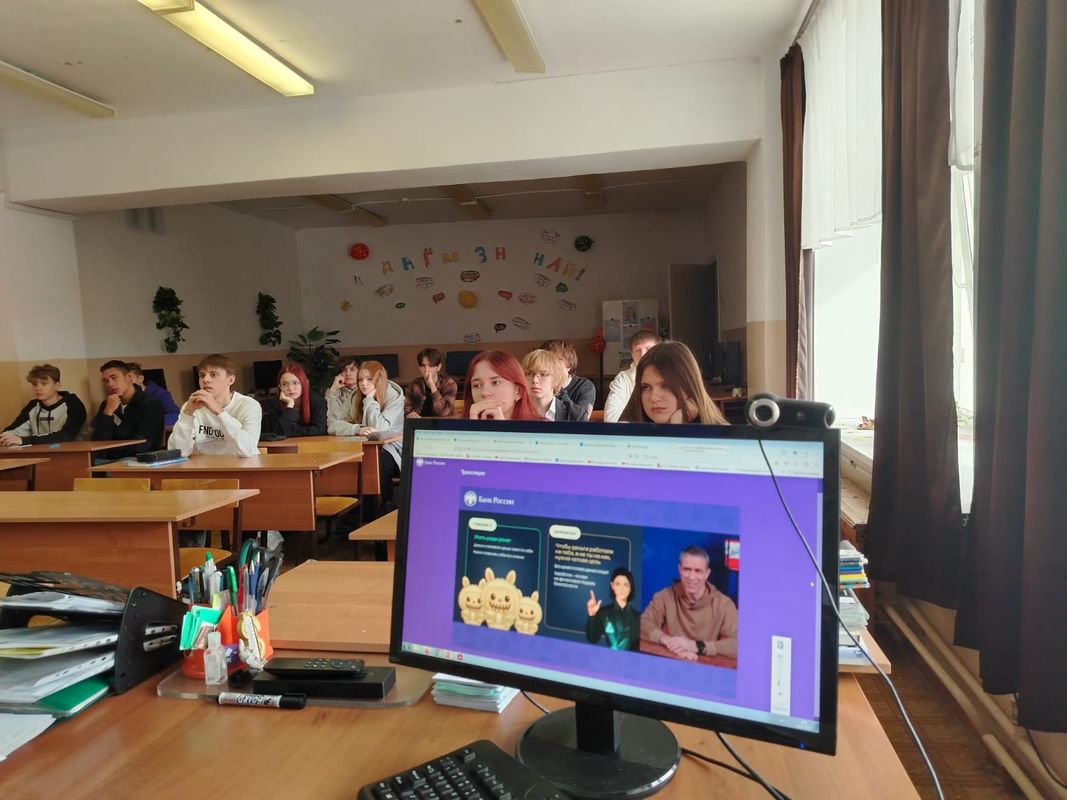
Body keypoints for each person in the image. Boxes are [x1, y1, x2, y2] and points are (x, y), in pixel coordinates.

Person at [640, 546, 738, 661]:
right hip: (673, 658)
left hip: (705, 665)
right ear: (679, 569)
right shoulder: (664, 596)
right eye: (687, 569)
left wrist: (695, 646)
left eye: (698, 571)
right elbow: (642, 624)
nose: (692, 577)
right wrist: (667, 641)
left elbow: (741, 644)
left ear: (707, 573)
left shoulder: (724, 604)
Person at [168, 353, 262, 457]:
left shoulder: (249, 405)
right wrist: (187, 415)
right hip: (203, 466)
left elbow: (249, 450)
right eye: (202, 375)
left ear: (230, 380)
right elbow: (176, 452)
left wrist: (219, 412)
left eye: (213, 375)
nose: (205, 380)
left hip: (237, 466)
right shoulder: (191, 407)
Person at [620, 341, 728, 425]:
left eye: (666, 386)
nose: (654, 398)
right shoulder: (624, 436)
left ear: (690, 387)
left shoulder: (722, 439)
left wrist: (678, 427)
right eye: (646, 387)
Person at [90, 360, 165, 461]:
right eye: (106, 381)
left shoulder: (149, 403)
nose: (110, 384)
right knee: (83, 463)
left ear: (129, 377)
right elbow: (97, 442)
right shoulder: (107, 404)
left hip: (139, 459)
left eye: (114, 378)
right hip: (108, 458)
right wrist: (108, 413)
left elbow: (143, 444)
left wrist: (109, 451)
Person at [1, 364, 86, 446]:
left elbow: (66, 436)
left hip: (71, 452)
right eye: (34, 384)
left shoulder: (73, 404)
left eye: (44, 384)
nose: (38, 388)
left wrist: (24, 440)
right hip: (41, 452)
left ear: (57, 385)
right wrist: (4, 438)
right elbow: (14, 429)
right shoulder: (33, 405)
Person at [463, 351, 541, 421]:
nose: (484, 392)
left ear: (518, 391)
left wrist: (502, 428)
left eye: (496, 382)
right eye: (477, 385)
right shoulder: (458, 428)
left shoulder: (542, 429)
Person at [603, 330, 661, 423]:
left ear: (659, 351)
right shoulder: (623, 379)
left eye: (648, 349)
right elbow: (612, 419)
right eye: (637, 350)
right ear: (632, 354)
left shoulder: (672, 375)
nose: (643, 354)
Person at [262, 363, 327, 436]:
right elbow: (279, 431)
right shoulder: (275, 403)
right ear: (280, 387)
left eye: (295, 383)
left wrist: (290, 430)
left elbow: (320, 430)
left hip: (313, 441)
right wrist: (290, 405)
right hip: (287, 443)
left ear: (304, 383)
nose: (290, 388)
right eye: (285, 384)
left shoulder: (316, 400)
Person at [586, 567, 641, 651]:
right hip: (611, 658)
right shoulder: (604, 613)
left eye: (626, 585)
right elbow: (592, 639)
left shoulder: (638, 617)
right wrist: (592, 615)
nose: (622, 589)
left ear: (630, 588)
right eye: (618, 584)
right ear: (612, 586)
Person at [521, 349, 584, 421]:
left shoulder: (575, 416)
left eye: (543, 374)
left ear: (556, 378)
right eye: (529, 373)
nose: (535, 380)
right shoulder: (513, 410)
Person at [541, 338, 595, 420]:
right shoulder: (537, 382)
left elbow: (582, 419)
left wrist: (559, 390)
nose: (551, 365)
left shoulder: (585, 386)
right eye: (547, 360)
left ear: (569, 365)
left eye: (557, 360)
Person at [404, 348, 457, 418]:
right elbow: (406, 409)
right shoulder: (415, 384)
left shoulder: (449, 384)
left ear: (438, 367)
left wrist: (432, 385)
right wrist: (410, 414)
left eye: (430, 366)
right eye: (423, 366)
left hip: (444, 422)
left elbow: (443, 413)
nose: (426, 370)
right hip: (421, 422)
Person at [126, 363, 180, 428]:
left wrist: (151, 421)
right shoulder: (123, 397)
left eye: (130, 379)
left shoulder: (160, 393)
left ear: (140, 378)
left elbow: (175, 415)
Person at [325, 356, 361, 435]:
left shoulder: (365, 390)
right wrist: (333, 390)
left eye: (352, 370)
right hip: (340, 433)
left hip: (361, 432)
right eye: (344, 370)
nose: (348, 374)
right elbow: (331, 419)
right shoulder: (333, 392)